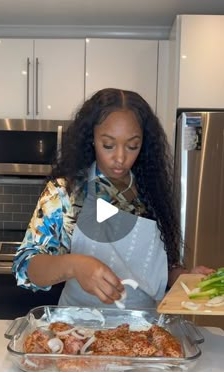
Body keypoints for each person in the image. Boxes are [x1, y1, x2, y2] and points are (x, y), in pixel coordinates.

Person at [12, 88, 213, 309]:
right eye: (108, 145)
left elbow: (158, 268)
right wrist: (74, 265)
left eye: (132, 146)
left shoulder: (152, 191)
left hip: (141, 329)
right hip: (78, 329)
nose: (120, 158)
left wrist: (183, 278)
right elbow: (27, 265)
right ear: (92, 138)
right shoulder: (66, 191)